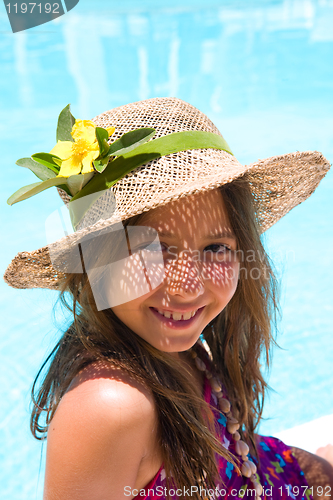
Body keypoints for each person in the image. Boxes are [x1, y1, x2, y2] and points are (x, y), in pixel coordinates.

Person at [4, 97, 333, 500]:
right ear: (95, 265)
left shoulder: (179, 346)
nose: (188, 288)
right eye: (150, 251)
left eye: (214, 248)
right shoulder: (110, 407)